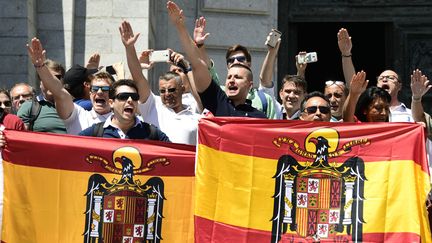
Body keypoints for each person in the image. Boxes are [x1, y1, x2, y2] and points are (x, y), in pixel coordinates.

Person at [167, 1, 266, 118]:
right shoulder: (217, 101)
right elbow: (197, 63)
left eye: (238, 77)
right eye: (229, 77)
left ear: (250, 85)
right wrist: (180, 27)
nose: (231, 80)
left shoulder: (259, 118)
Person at [119, 20, 201, 144]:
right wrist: (129, 48)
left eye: (172, 89)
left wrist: (186, 67)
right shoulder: (153, 106)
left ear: (183, 89)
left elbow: (203, 91)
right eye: (162, 91)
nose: (167, 94)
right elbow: (138, 77)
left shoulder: (195, 113)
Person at [190, 16, 276, 118]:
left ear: (249, 63)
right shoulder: (220, 95)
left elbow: (270, 129)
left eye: (240, 59)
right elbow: (205, 69)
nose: (235, 62)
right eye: (230, 61)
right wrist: (199, 46)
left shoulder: (264, 100)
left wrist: (272, 51)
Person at [27, 37, 112, 135]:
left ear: (113, 95)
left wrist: (129, 48)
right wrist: (40, 66)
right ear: (90, 92)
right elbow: (59, 92)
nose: (99, 92)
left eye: (105, 89)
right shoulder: (78, 115)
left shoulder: (123, 120)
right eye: (95, 89)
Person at [79, 79, 170, 141]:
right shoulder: (95, 133)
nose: (130, 100)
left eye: (134, 97)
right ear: (111, 103)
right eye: (123, 97)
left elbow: (175, 157)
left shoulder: (152, 133)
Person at [17, 59, 67, 133]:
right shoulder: (29, 107)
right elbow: (18, 136)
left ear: (63, 82)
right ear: (40, 83)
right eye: (47, 78)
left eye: (57, 78)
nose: (51, 82)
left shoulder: (74, 108)